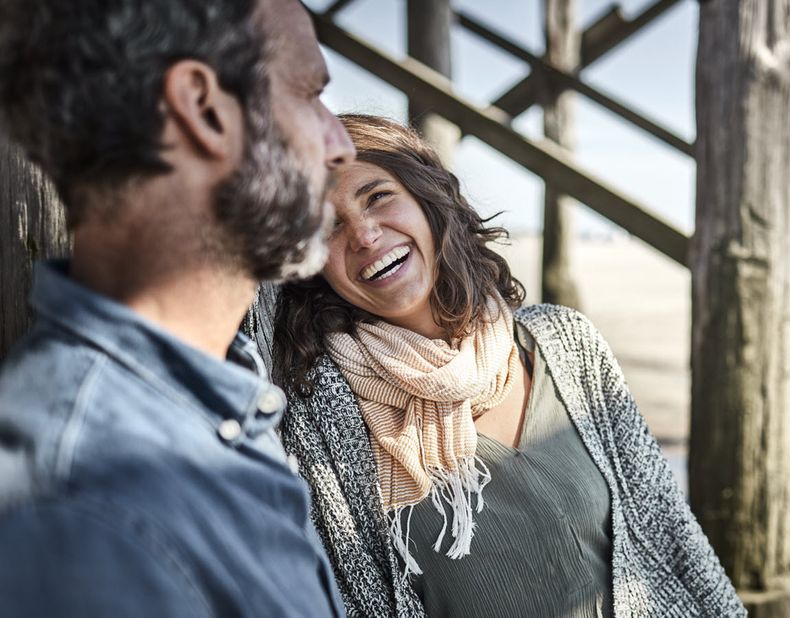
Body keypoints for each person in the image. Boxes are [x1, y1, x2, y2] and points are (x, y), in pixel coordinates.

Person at [273, 114, 747, 617]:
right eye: (328, 227)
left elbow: (669, 531)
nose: (364, 235)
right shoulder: (320, 416)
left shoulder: (566, 344)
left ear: (427, 200)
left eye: (378, 196)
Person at [0, 0, 355, 615]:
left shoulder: (218, 391)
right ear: (203, 107)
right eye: (311, 95)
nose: (341, 144)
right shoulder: (87, 510)